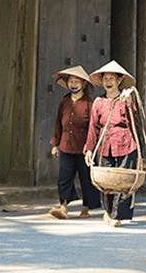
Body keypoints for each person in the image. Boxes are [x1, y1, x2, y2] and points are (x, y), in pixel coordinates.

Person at [84, 60, 139, 227]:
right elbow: (93, 127)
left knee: (123, 182)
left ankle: (117, 216)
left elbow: (136, 123)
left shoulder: (126, 101)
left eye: (111, 78)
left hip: (125, 144)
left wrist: (129, 104)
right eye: (105, 78)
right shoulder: (98, 102)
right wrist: (88, 150)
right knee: (106, 181)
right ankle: (108, 211)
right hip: (104, 145)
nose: (108, 81)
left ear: (119, 81)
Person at [48, 65, 100, 219]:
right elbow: (58, 122)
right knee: (64, 178)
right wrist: (55, 144)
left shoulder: (89, 102)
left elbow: (93, 126)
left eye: (77, 81)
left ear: (84, 84)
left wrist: (90, 147)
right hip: (65, 145)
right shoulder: (64, 101)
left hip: (84, 148)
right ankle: (63, 208)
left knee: (86, 179)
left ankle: (85, 208)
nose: (73, 83)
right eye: (71, 80)